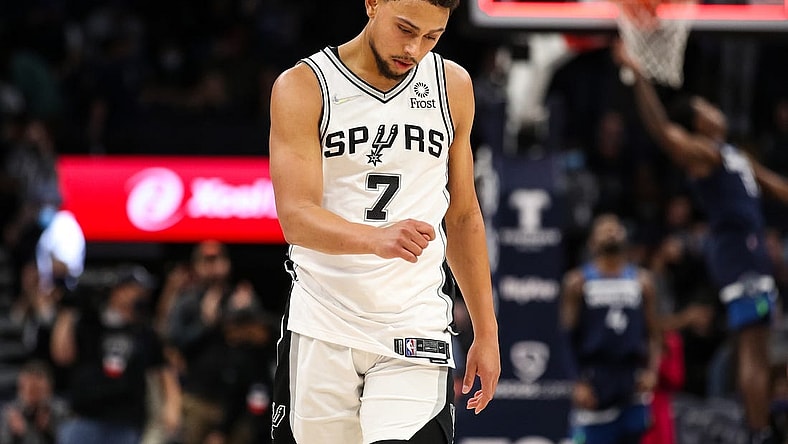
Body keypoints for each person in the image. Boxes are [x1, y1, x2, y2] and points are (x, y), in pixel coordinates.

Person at [268, 0, 501, 442]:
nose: (415, 48)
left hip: (415, 327)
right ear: (373, 3)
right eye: (406, 29)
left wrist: (486, 332)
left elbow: (465, 214)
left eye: (432, 37)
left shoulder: (451, 85)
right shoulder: (304, 86)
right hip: (322, 323)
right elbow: (295, 217)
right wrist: (374, 238)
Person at [615, 42, 788, 444]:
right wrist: (638, 75)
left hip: (751, 251)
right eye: (706, 108)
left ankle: (759, 428)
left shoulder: (732, 154)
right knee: (753, 348)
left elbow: (777, 186)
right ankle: (759, 432)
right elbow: (661, 130)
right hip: (737, 254)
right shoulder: (703, 154)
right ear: (698, 124)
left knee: (759, 348)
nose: (715, 109)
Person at [560, 214, 662, 444]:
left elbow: (654, 333)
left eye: (616, 227)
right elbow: (566, 338)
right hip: (596, 377)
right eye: (604, 229)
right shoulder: (577, 283)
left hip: (631, 376)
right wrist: (576, 382)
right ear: (592, 242)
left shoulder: (642, 281)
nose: (611, 232)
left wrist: (652, 371)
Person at [51, 264, 181, 444]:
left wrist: (172, 407)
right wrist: (68, 308)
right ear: (119, 291)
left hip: (125, 420)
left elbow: (163, 370)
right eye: (137, 289)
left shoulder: (144, 332)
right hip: (86, 417)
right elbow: (62, 355)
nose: (143, 295)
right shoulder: (90, 323)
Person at [0, 360, 69, 444]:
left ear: (49, 389)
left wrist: (48, 430)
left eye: (36, 390)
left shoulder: (61, 410)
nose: (29, 397)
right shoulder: (10, 413)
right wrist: (15, 435)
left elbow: (70, 439)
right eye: (24, 389)